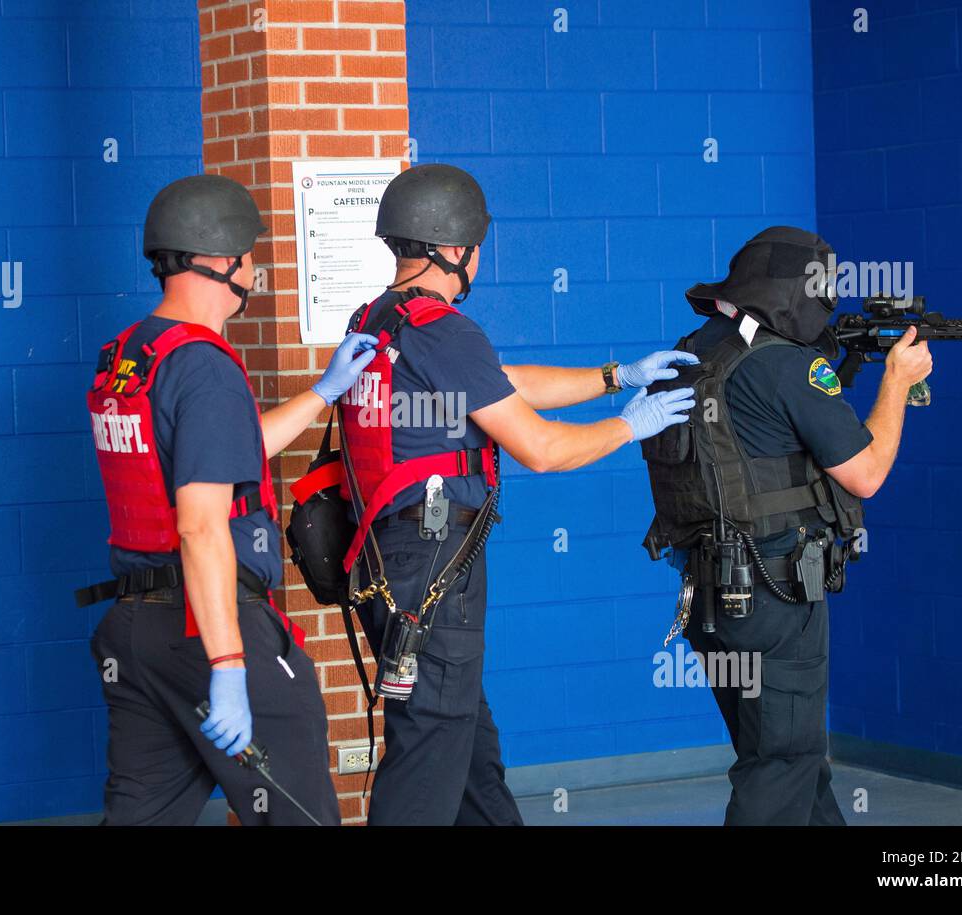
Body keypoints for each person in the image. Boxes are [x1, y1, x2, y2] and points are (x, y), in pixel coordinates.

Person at [338, 163, 697, 825]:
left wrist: (616, 375)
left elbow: (504, 382)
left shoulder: (380, 321)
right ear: (455, 249)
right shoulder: (443, 330)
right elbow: (543, 448)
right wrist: (628, 426)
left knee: (469, 755)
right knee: (427, 761)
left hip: (391, 565)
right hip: (435, 573)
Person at [79, 175, 377, 825]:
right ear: (220, 261)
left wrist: (324, 391)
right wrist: (229, 664)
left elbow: (221, 458)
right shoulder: (204, 365)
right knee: (299, 812)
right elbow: (202, 527)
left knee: (142, 816)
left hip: (134, 630)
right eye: (249, 253)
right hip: (206, 623)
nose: (255, 267)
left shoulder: (130, 356)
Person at [640, 225, 933, 825]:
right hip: (775, 597)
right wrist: (898, 381)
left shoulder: (696, 352)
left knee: (791, 763)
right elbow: (866, 473)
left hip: (713, 601)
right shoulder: (788, 367)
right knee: (782, 763)